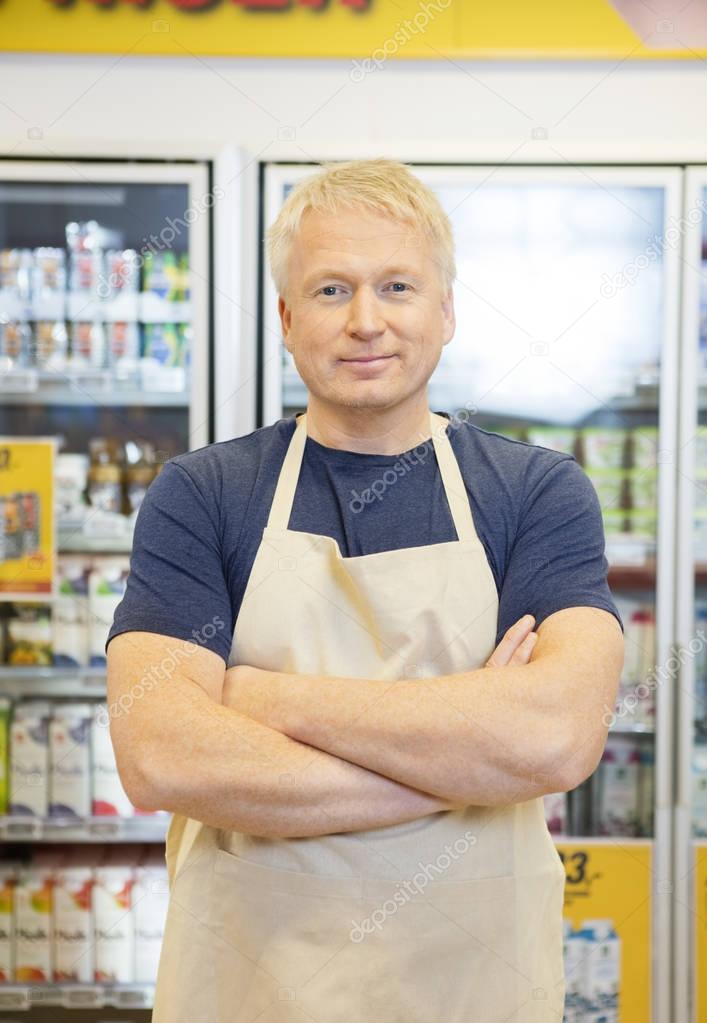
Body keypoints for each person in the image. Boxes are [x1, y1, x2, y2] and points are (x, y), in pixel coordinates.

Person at [106, 158, 624, 1023]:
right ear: (285, 317)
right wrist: (466, 766)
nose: (366, 321)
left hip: (472, 990)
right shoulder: (204, 494)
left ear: (447, 309)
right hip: (249, 991)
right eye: (330, 289)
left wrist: (260, 697)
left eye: (397, 285)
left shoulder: (535, 491)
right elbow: (161, 751)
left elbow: (559, 734)